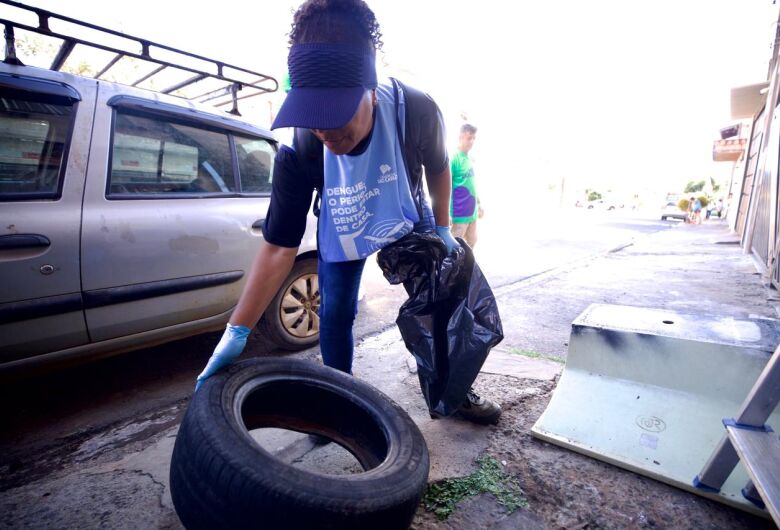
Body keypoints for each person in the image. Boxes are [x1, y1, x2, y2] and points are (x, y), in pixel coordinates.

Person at [195, 0, 501, 425]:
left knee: (441, 298)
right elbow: (278, 247)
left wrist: (444, 228)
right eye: (313, 114)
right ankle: (337, 404)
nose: (324, 129)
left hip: (405, 208)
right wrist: (237, 331)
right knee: (335, 313)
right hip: (344, 218)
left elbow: (438, 167)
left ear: (371, 92)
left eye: (336, 113)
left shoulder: (417, 109)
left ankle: (454, 389)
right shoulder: (299, 147)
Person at [450, 123, 482, 248]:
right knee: (456, 248)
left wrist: (479, 204)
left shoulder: (469, 158)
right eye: (469, 138)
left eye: (473, 138)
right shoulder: (454, 159)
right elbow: (445, 188)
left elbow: (472, 184)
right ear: (460, 137)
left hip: (472, 213)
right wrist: (446, 215)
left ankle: (467, 262)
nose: (472, 141)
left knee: (472, 243)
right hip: (459, 215)